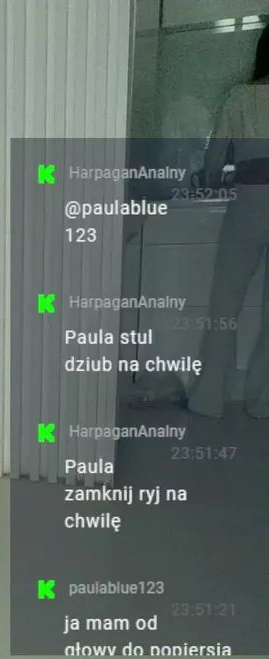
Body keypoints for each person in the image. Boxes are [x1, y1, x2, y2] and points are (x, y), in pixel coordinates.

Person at [188, 26, 269, 418]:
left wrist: (209, 179)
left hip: (249, 202)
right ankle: (264, 403)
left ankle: (208, 399)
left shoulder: (240, 96)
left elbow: (214, 159)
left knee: (225, 302)